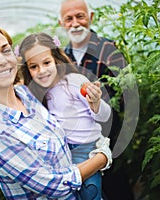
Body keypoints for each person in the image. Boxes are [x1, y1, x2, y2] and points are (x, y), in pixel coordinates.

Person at [0, 23, 112, 200]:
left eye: (5, 50)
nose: (2, 60)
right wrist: (102, 158)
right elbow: (54, 186)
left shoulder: (26, 94)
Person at [18, 32, 112, 200]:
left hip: (87, 150)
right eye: (34, 66)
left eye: (46, 62)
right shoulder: (39, 93)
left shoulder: (74, 82)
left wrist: (96, 103)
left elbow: (105, 116)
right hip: (65, 155)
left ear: (56, 59)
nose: (42, 71)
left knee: (91, 193)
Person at [59, 0, 134, 199]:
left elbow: (125, 91)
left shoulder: (108, 48)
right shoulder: (63, 57)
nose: (75, 23)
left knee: (116, 185)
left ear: (90, 18)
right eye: (69, 18)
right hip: (78, 140)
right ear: (62, 23)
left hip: (108, 133)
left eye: (80, 16)